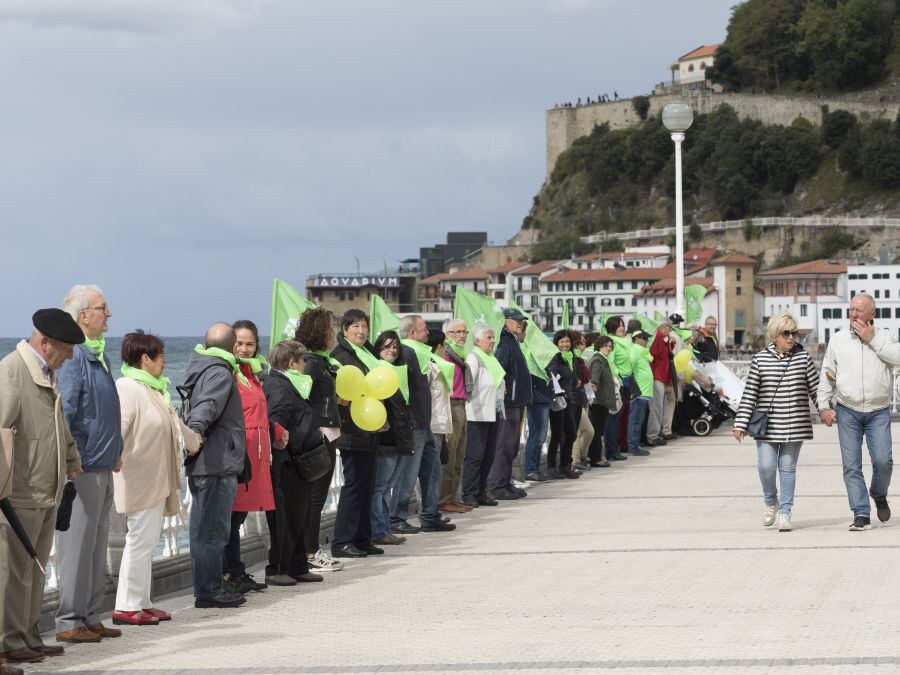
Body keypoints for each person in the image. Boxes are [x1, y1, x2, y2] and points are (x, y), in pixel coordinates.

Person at [0, 309, 82, 665]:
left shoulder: (47, 371)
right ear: (44, 342)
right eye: (66, 349)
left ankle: (30, 634)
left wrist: (71, 458)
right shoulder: (11, 372)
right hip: (20, 491)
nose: (71, 356)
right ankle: (9, 640)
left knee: (35, 568)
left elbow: (57, 423)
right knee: (14, 571)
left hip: (47, 488)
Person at [112, 332, 202, 626]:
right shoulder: (127, 387)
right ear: (145, 359)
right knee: (139, 539)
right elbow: (119, 429)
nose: (164, 361)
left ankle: (142, 602)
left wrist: (195, 441)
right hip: (139, 476)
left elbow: (173, 424)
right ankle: (126, 606)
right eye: (160, 356)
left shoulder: (154, 390)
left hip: (158, 477)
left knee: (149, 540)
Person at [55, 285, 124, 643]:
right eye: (103, 307)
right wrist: (71, 458)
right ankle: (69, 619)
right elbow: (66, 410)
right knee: (77, 545)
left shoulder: (98, 354)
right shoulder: (74, 355)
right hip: (82, 467)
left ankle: (90, 615)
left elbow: (105, 408)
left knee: (97, 546)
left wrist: (117, 449)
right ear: (84, 315)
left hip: (103, 463)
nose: (108, 313)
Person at [818, 293, 900, 531]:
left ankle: (879, 493)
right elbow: (827, 373)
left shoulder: (885, 336)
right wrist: (824, 405)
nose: (853, 314)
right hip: (847, 410)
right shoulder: (838, 340)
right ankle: (861, 514)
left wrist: (872, 339)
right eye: (851, 309)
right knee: (851, 465)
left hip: (879, 410)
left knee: (884, 462)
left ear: (872, 314)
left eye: (859, 310)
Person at [181, 323, 248, 608]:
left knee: (201, 530)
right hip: (216, 463)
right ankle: (210, 590)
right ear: (233, 346)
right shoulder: (220, 372)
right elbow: (207, 406)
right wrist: (195, 432)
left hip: (204, 462)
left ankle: (206, 587)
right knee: (212, 532)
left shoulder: (199, 367)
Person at [733, 312, 819, 532]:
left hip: (795, 423)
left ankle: (785, 512)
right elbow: (750, 394)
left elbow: (816, 389)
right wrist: (741, 423)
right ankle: (771, 501)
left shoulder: (803, 358)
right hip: (768, 425)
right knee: (766, 467)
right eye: (785, 333)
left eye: (794, 333)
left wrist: (826, 410)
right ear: (774, 335)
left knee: (788, 468)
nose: (791, 338)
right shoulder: (760, 359)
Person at [224, 320, 284, 595]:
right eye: (239, 343)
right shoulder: (227, 373)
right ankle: (229, 572)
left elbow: (260, 412)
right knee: (230, 517)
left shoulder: (253, 375)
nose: (244, 349)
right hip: (238, 455)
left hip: (256, 456)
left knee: (238, 516)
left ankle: (235, 569)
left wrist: (276, 430)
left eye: (250, 344)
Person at [262, 340, 324, 585]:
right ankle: (279, 567)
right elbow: (275, 423)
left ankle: (297, 565)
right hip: (288, 462)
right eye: (303, 361)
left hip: (299, 461)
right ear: (292, 363)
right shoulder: (279, 386)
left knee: (300, 515)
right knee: (286, 516)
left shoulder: (289, 384)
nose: (305, 365)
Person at [330, 309, 382, 558]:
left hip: (370, 427)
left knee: (367, 486)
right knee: (353, 485)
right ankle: (342, 541)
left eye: (364, 326)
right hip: (352, 429)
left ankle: (363, 538)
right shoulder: (340, 355)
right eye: (355, 327)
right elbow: (343, 392)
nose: (361, 331)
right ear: (345, 329)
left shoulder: (367, 353)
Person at [295, 307, 344, 572]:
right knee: (315, 497)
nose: (333, 334)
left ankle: (310, 549)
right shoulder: (313, 363)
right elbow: (303, 396)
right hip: (320, 434)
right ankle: (310, 551)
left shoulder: (320, 361)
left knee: (318, 496)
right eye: (330, 329)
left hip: (328, 431)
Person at [391, 315, 450, 534]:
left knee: (433, 472)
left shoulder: (420, 353)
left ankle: (430, 516)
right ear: (412, 333)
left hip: (425, 424)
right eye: (423, 329)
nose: (427, 332)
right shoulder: (406, 352)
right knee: (407, 475)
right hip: (414, 424)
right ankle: (396, 518)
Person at [369, 331, 413, 545]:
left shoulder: (400, 373)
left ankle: (383, 528)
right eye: (386, 346)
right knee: (380, 488)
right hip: (386, 440)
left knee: (387, 488)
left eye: (395, 346)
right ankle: (378, 530)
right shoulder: (377, 372)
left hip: (400, 439)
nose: (392, 350)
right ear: (378, 349)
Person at [487, 308, 532, 500]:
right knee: (505, 445)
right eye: (517, 320)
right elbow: (499, 368)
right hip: (510, 402)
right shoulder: (505, 342)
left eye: (522, 321)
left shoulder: (514, 341)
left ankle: (505, 483)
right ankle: (497, 486)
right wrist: (507, 393)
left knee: (512, 446)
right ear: (506, 321)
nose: (521, 323)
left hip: (517, 401)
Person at [461, 325, 506, 507]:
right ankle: (469, 493)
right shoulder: (474, 358)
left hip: (493, 413)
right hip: (477, 414)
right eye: (489, 337)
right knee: (475, 456)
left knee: (489, 455)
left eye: (493, 337)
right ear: (477, 341)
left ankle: (481, 491)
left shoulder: (491, 358)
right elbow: (468, 384)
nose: (492, 341)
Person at [438, 319, 474, 513]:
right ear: (447, 334)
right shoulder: (445, 355)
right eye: (456, 332)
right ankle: (444, 500)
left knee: (459, 455)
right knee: (450, 457)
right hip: (451, 405)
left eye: (464, 332)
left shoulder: (460, 355)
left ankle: (453, 497)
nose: (461, 335)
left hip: (462, 405)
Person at [427, 330, 458, 510]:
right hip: (433, 424)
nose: (445, 348)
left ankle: (432, 509)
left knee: (437, 467)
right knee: (431, 470)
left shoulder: (440, 366)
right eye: (444, 345)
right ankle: (429, 509)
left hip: (440, 424)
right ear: (438, 347)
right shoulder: (430, 366)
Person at [545, 330, 581, 479]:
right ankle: (552, 466)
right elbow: (551, 376)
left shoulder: (571, 358)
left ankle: (565, 465)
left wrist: (575, 381)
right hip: (558, 401)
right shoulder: (555, 359)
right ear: (556, 344)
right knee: (558, 434)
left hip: (569, 400)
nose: (565, 345)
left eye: (567, 342)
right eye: (561, 342)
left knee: (571, 433)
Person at [587, 335, 617, 467]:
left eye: (610, 346)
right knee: (596, 431)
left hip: (602, 400)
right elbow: (594, 379)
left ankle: (596, 457)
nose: (608, 348)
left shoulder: (603, 359)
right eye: (606, 346)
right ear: (599, 346)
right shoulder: (598, 360)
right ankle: (596, 458)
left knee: (598, 430)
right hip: (598, 401)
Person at [647, 320, 676, 446]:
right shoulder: (658, 338)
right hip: (657, 376)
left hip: (661, 376)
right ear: (664, 328)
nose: (670, 332)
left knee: (659, 407)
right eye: (670, 329)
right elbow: (652, 355)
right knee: (656, 407)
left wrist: (671, 343)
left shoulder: (663, 339)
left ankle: (655, 433)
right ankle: (652, 435)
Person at [568, 330, 594, 472]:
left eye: (584, 343)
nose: (583, 346)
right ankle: (576, 459)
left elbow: (586, 377)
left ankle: (579, 458)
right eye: (580, 343)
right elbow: (583, 377)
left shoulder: (579, 358)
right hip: (574, 399)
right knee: (585, 430)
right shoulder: (573, 359)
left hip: (583, 397)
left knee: (583, 431)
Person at [627, 330, 654, 456]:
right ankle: (633, 446)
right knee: (636, 421)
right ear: (637, 339)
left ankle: (635, 444)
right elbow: (629, 370)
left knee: (639, 420)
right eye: (644, 338)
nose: (647, 341)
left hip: (644, 392)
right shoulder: (635, 351)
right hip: (639, 392)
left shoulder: (641, 352)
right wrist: (633, 390)